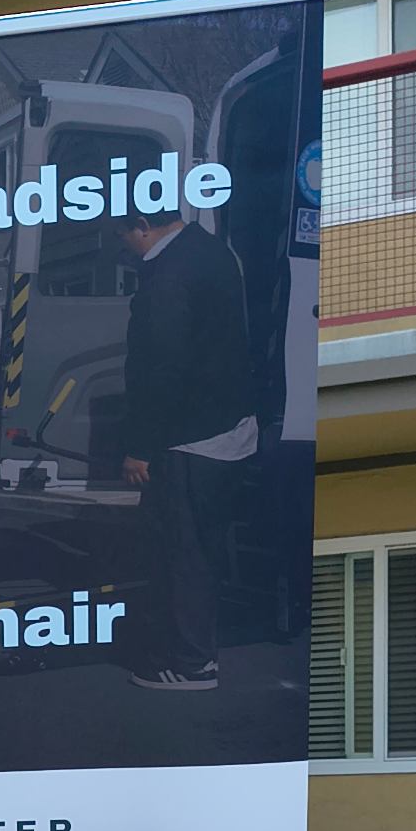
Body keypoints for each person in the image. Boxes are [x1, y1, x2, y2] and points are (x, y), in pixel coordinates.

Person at [115, 206, 256, 693]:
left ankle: (192, 663)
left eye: (125, 236)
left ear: (142, 227)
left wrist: (140, 448)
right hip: (228, 431)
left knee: (183, 553)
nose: (127, 248)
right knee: (204, 551)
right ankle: (195, 651)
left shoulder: (168, 273)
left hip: (189, 439)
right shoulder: (214, 253)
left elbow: (163, 367)